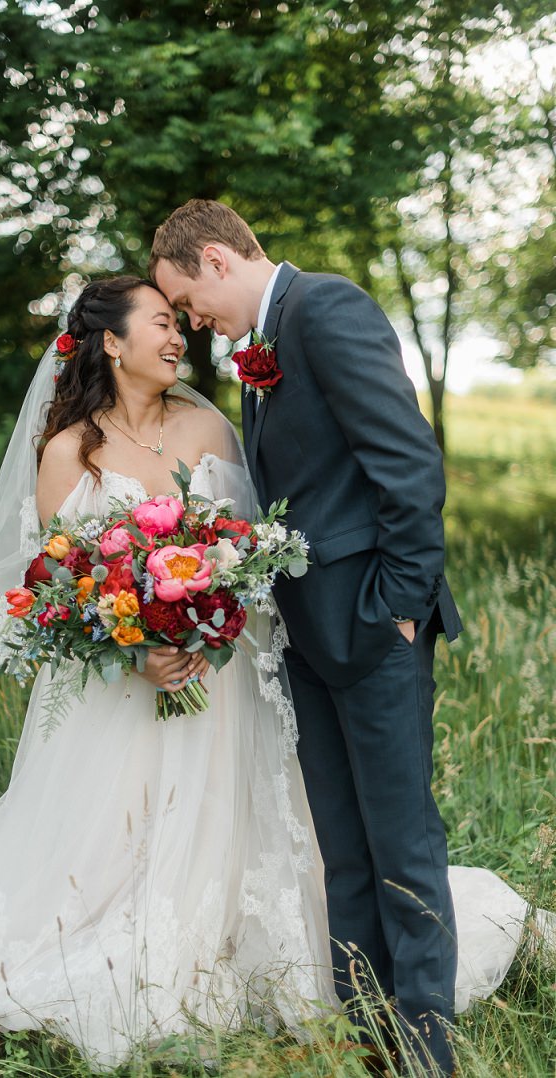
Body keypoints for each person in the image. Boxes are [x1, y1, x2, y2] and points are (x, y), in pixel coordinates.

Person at [0, 276, 544, 1075]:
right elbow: (52, 585)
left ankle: (377, 995)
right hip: (120, 693)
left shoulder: (210, 425)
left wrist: (213, 613)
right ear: (112, 341)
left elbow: (257, 549)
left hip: (229, 678)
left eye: (181, 324)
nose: (180, 339)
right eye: (163, 324)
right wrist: (137, 646)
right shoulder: (71, 450)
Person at [150, 199, 459, 1075]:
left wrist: (398, 605)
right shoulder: (264, 342)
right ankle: (367, 1035)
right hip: (306, 638)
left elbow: (408, 464)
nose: (199, 325)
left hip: (371, 624)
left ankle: (427, 1050)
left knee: (400, 840)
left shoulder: (325, 308)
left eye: (192, 302)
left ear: (215, 259)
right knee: (342, 846)